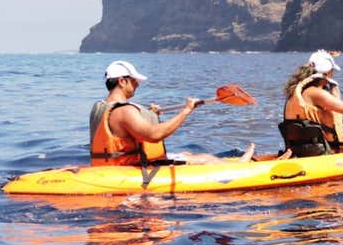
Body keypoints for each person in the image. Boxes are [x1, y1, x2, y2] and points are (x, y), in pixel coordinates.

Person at [89, 60, 254, 167]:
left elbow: (126, 132)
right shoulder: (124, 111)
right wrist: (186, 111)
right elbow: (154, 135)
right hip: (129, 169)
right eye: (134, 81)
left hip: (109, 166)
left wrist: (151, 114)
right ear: (122, 81)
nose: (137, 85)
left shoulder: (101, 106)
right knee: (204, 158)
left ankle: (225, 162)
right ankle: (239, 165)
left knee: (187, 154)